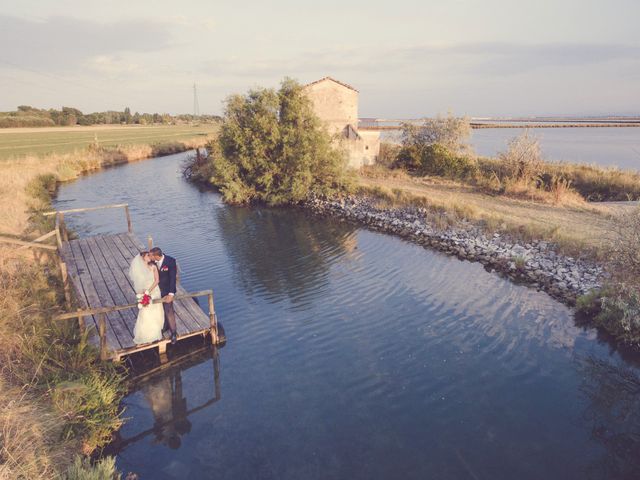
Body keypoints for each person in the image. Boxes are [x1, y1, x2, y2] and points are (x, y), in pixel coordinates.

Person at [128, 251, 164, 344]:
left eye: (150, 255)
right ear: (142, 258)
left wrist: (149, 291)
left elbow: (157, 280)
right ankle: (145, 334)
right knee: (145, 312)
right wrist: (143, 293)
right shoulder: (139, 270)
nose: (150, 256)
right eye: (148, 255)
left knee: (155, 311)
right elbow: (138, 282)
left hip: (154, 291)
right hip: (145, 292)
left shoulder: (153, 267)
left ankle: (155, 333)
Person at [149, 247, 178, 345]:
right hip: (157, 291)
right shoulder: (152, 263)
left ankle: (174, 333)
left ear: (156, 255)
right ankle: (165, 326)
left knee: (169, 310)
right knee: (161, 310)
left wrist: (171, 294)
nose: (150, 257)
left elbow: (173, 278)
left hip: (167, 291)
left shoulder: (170, 261)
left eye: (151, 255)